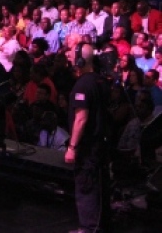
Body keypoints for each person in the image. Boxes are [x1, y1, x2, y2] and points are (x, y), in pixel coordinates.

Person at [65, 43, 110, 233]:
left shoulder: (83, 84)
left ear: (80, 61)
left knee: (86, 188)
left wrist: (72, 147)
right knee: (100, 188)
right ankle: (99, 226)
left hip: (88, 148)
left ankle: (88, 228)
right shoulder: (101, 81)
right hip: (100, 145)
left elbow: (81, 119)